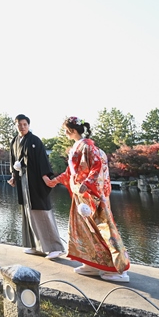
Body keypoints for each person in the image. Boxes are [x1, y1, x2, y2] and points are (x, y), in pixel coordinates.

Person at [45, 117, 131, 282]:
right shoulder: (79, 146)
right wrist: (55, 181)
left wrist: (88, 183)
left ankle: (116, 268)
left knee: (101, 229)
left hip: (90, 196)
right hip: (81, 196)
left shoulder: (87, 146)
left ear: (72, 130)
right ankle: (92, 263)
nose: (65, 133)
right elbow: (71, 172)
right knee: (84, 230)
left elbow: (96, 166)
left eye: (66, 130)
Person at [7, 114, 65, 259]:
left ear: (28, 125)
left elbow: (42, 160)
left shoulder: (35, 141)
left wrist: (45, 176)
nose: (22, 127)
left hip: (35, 181)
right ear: (15, 126)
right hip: (23, 180)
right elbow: (13, 160)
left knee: (41, 212)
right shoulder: (14, 141)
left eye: (25, 124)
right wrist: (14, 176)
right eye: (19, 124)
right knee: (28, 212)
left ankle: (55, 247)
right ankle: (36, 246)